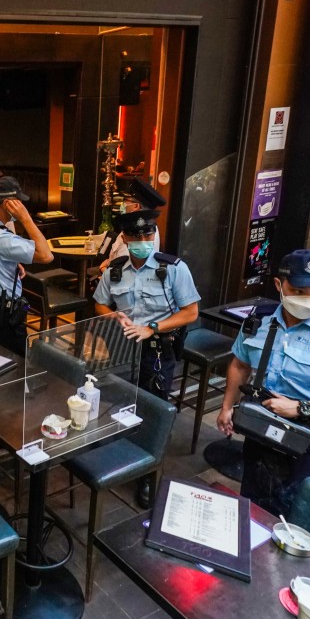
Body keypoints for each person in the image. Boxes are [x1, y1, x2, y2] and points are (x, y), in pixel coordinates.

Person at [93, 209, 200, 507]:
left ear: (154, 235)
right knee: (122, 400)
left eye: (148, 234)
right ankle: (124, 455)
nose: (143, 240)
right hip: (123, 347)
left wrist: (152, 327)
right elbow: (99, 304)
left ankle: (149, 475)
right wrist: (115, 316)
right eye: (135, 235)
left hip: (157, 349)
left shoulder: (174, 269)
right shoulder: (114, 270)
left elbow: (190, 312)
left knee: (155, 407)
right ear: (125, 239)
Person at [216, 250, 310, 515]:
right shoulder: (258, 320)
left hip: (308, 437)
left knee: (296, 512)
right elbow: (240, 364)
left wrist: (302, 407)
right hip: (261, 427)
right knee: (254, 503)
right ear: (279, 285)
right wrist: (227, 406)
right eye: (298, 291)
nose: (307, 300)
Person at [0, 177, 53, 355]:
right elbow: (46, 255)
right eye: (19, 202)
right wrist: (26, 219)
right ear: (8, 204)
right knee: (16, 364)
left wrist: (5, 263)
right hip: (3, 315)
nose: (22, 206)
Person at [98, 176, 166, 271]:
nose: (122, 205)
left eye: (125, 201)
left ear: (136, 206)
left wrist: (103, 268)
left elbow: (124, 270)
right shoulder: (150, 227)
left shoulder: (132, 230)